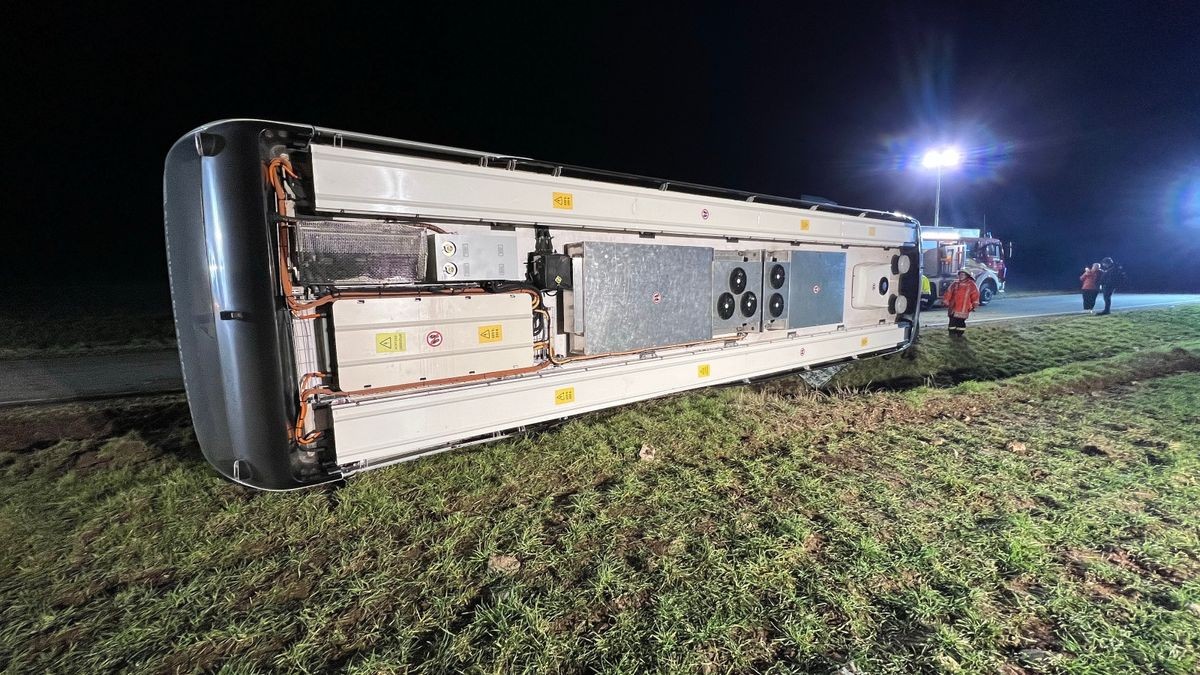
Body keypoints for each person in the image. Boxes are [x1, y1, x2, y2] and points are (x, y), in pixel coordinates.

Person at [942, 269, 980, 337]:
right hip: (953, 307)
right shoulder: (955, 283)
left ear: (967, 276)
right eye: (960, 274)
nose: (961, 276)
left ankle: (959, 335)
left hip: (964, 308)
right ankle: (952, 334)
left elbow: (975, 295)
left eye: (963, 275)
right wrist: (946, 301)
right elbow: (949, 292)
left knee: (960, 322)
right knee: (952, 321)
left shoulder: (971, 285)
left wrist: (975, 304)